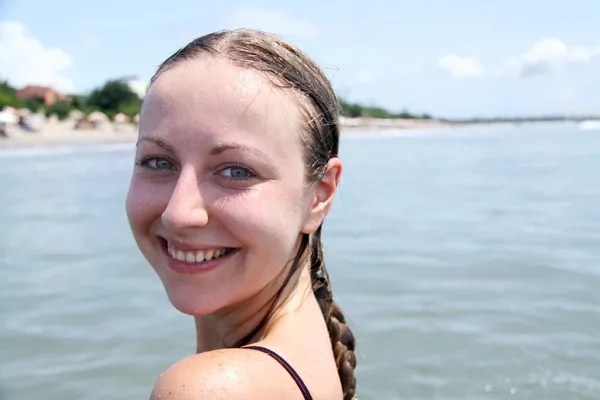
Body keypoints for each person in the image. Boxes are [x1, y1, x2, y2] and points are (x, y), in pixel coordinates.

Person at [125, 29, 357, 400]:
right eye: (157, 161)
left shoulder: (210, 389)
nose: (178, 213)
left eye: (236, 171)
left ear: (320, 195)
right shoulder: (307, 354)